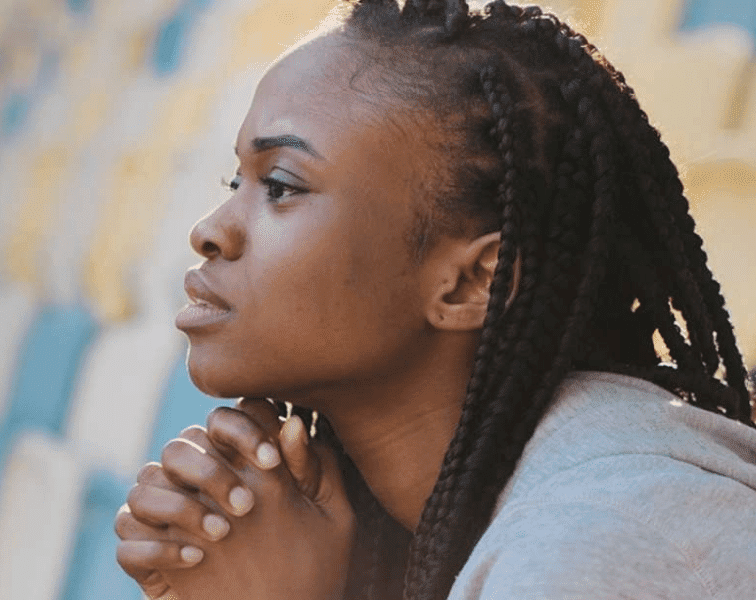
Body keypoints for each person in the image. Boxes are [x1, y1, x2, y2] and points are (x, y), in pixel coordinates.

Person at [114, 1, 756, 599]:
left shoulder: (591, 546)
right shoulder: (417, 526)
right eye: (236, 180)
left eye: (281, 186)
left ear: (471, 282)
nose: (209, 230)